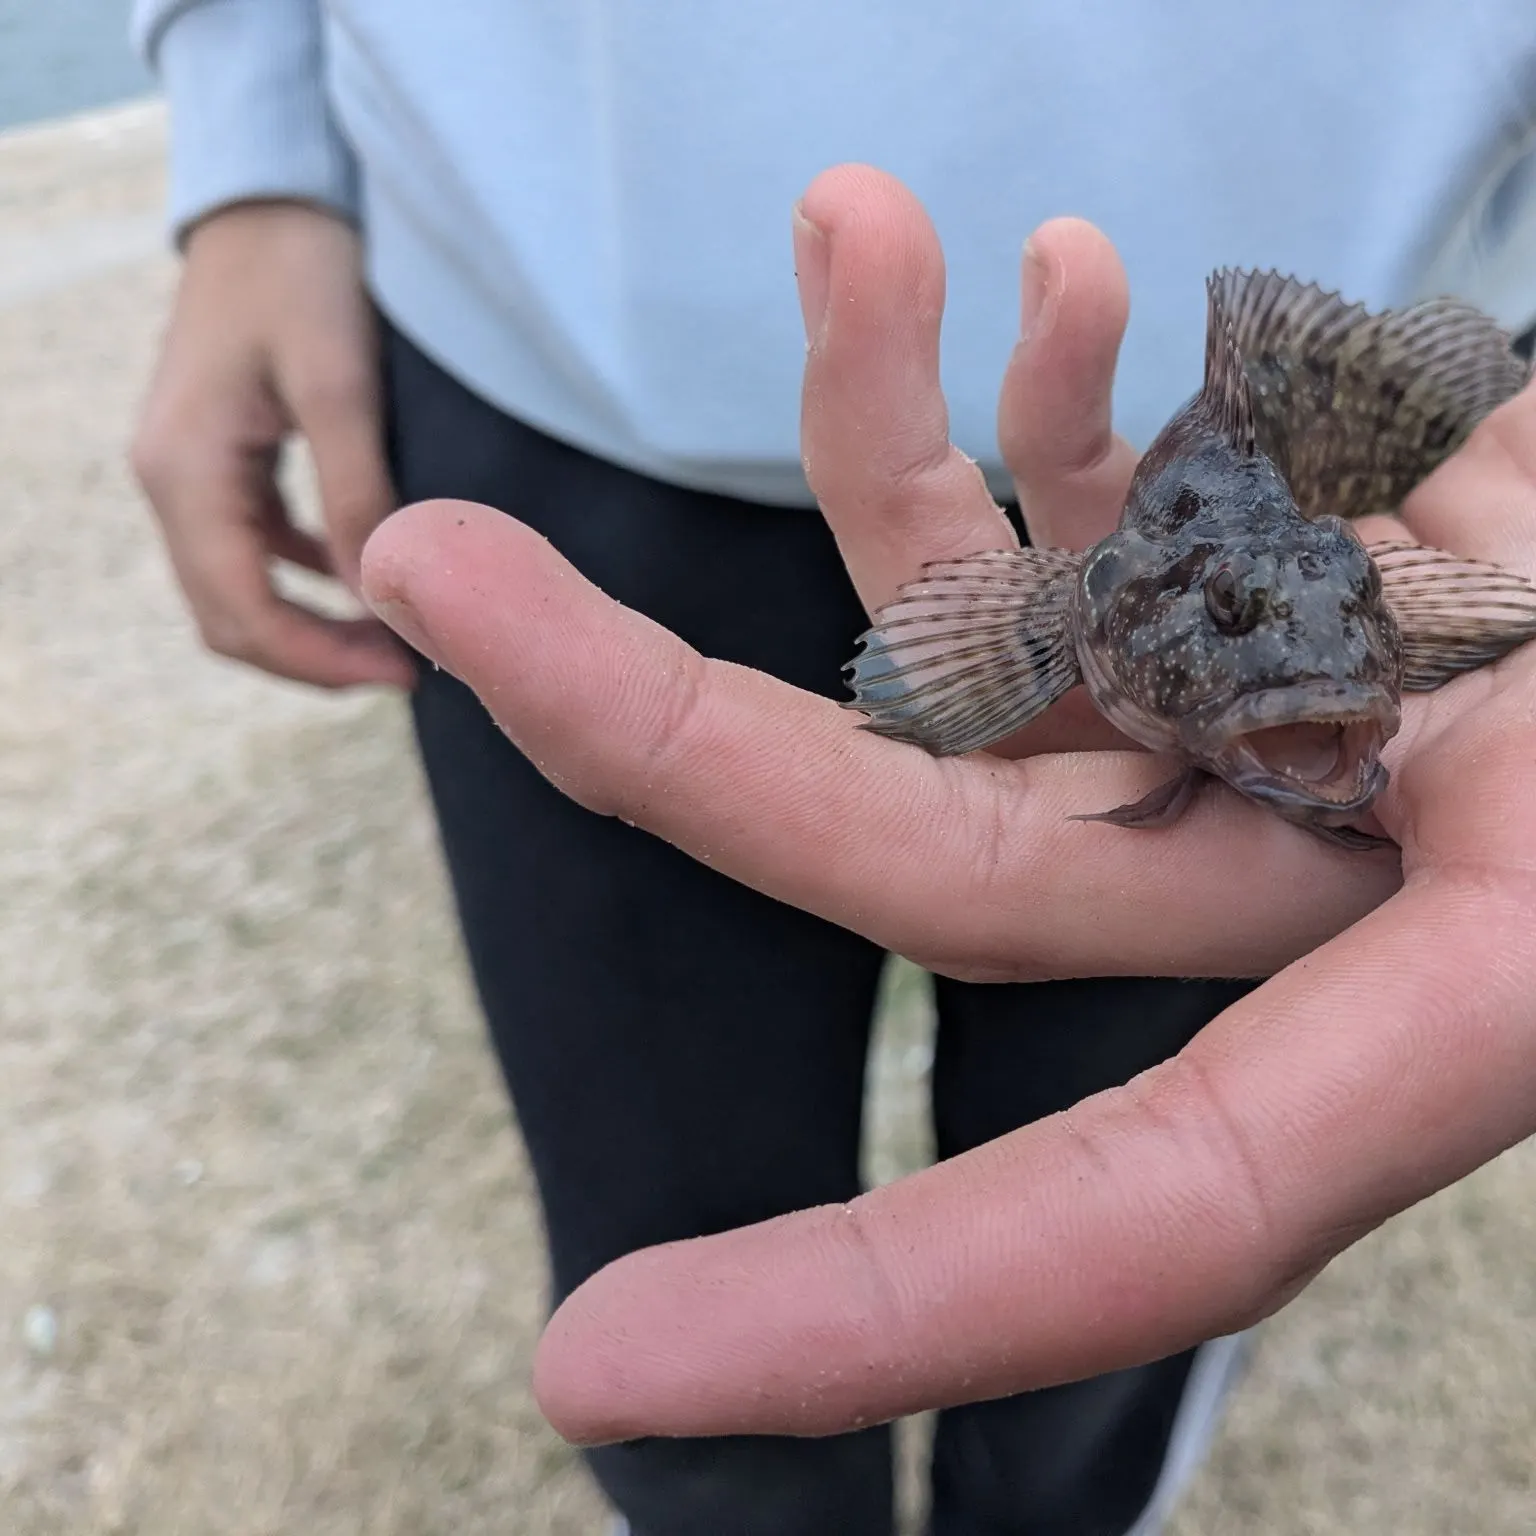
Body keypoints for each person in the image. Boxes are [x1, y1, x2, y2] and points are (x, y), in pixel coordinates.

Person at [127, 4, 1536, 1532]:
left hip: (1415, 435)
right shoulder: (1079, 617)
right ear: (1092, 621)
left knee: (1092, 1304)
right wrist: (254, 146)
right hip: (536, 353)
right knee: (667, 1231)